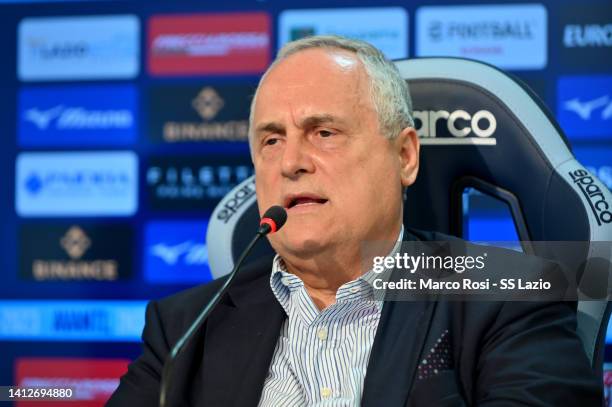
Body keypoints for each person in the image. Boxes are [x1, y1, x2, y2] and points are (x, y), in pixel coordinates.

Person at [108, 35, 601, 406]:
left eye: (323, 132)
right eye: (271, 140)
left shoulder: (505, 296)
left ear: (405, 156)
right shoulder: (185, 327)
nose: (290, 162)